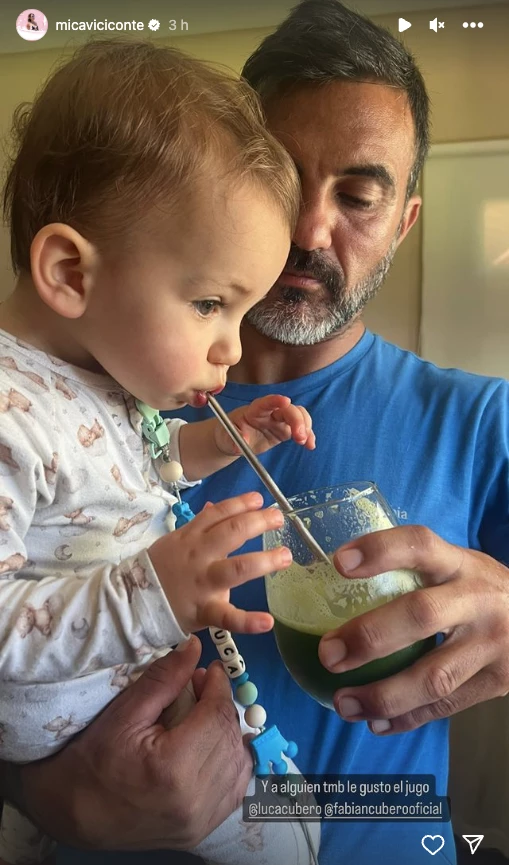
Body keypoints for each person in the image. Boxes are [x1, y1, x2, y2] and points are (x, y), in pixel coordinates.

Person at [165, 2, 508, 864]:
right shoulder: (85, 413)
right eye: (281, 181)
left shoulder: (478, 421)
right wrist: (60, 798)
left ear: (404, 221)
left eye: (357, 195)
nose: (310, 230)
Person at [0, 40, 321, 865]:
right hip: (75, 734)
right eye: (210, 303)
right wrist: (152, 592)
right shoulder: (9, 409)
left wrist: (221, 441)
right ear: (70, 271)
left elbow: (120, 473)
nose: (231, 351)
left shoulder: (100, 373)